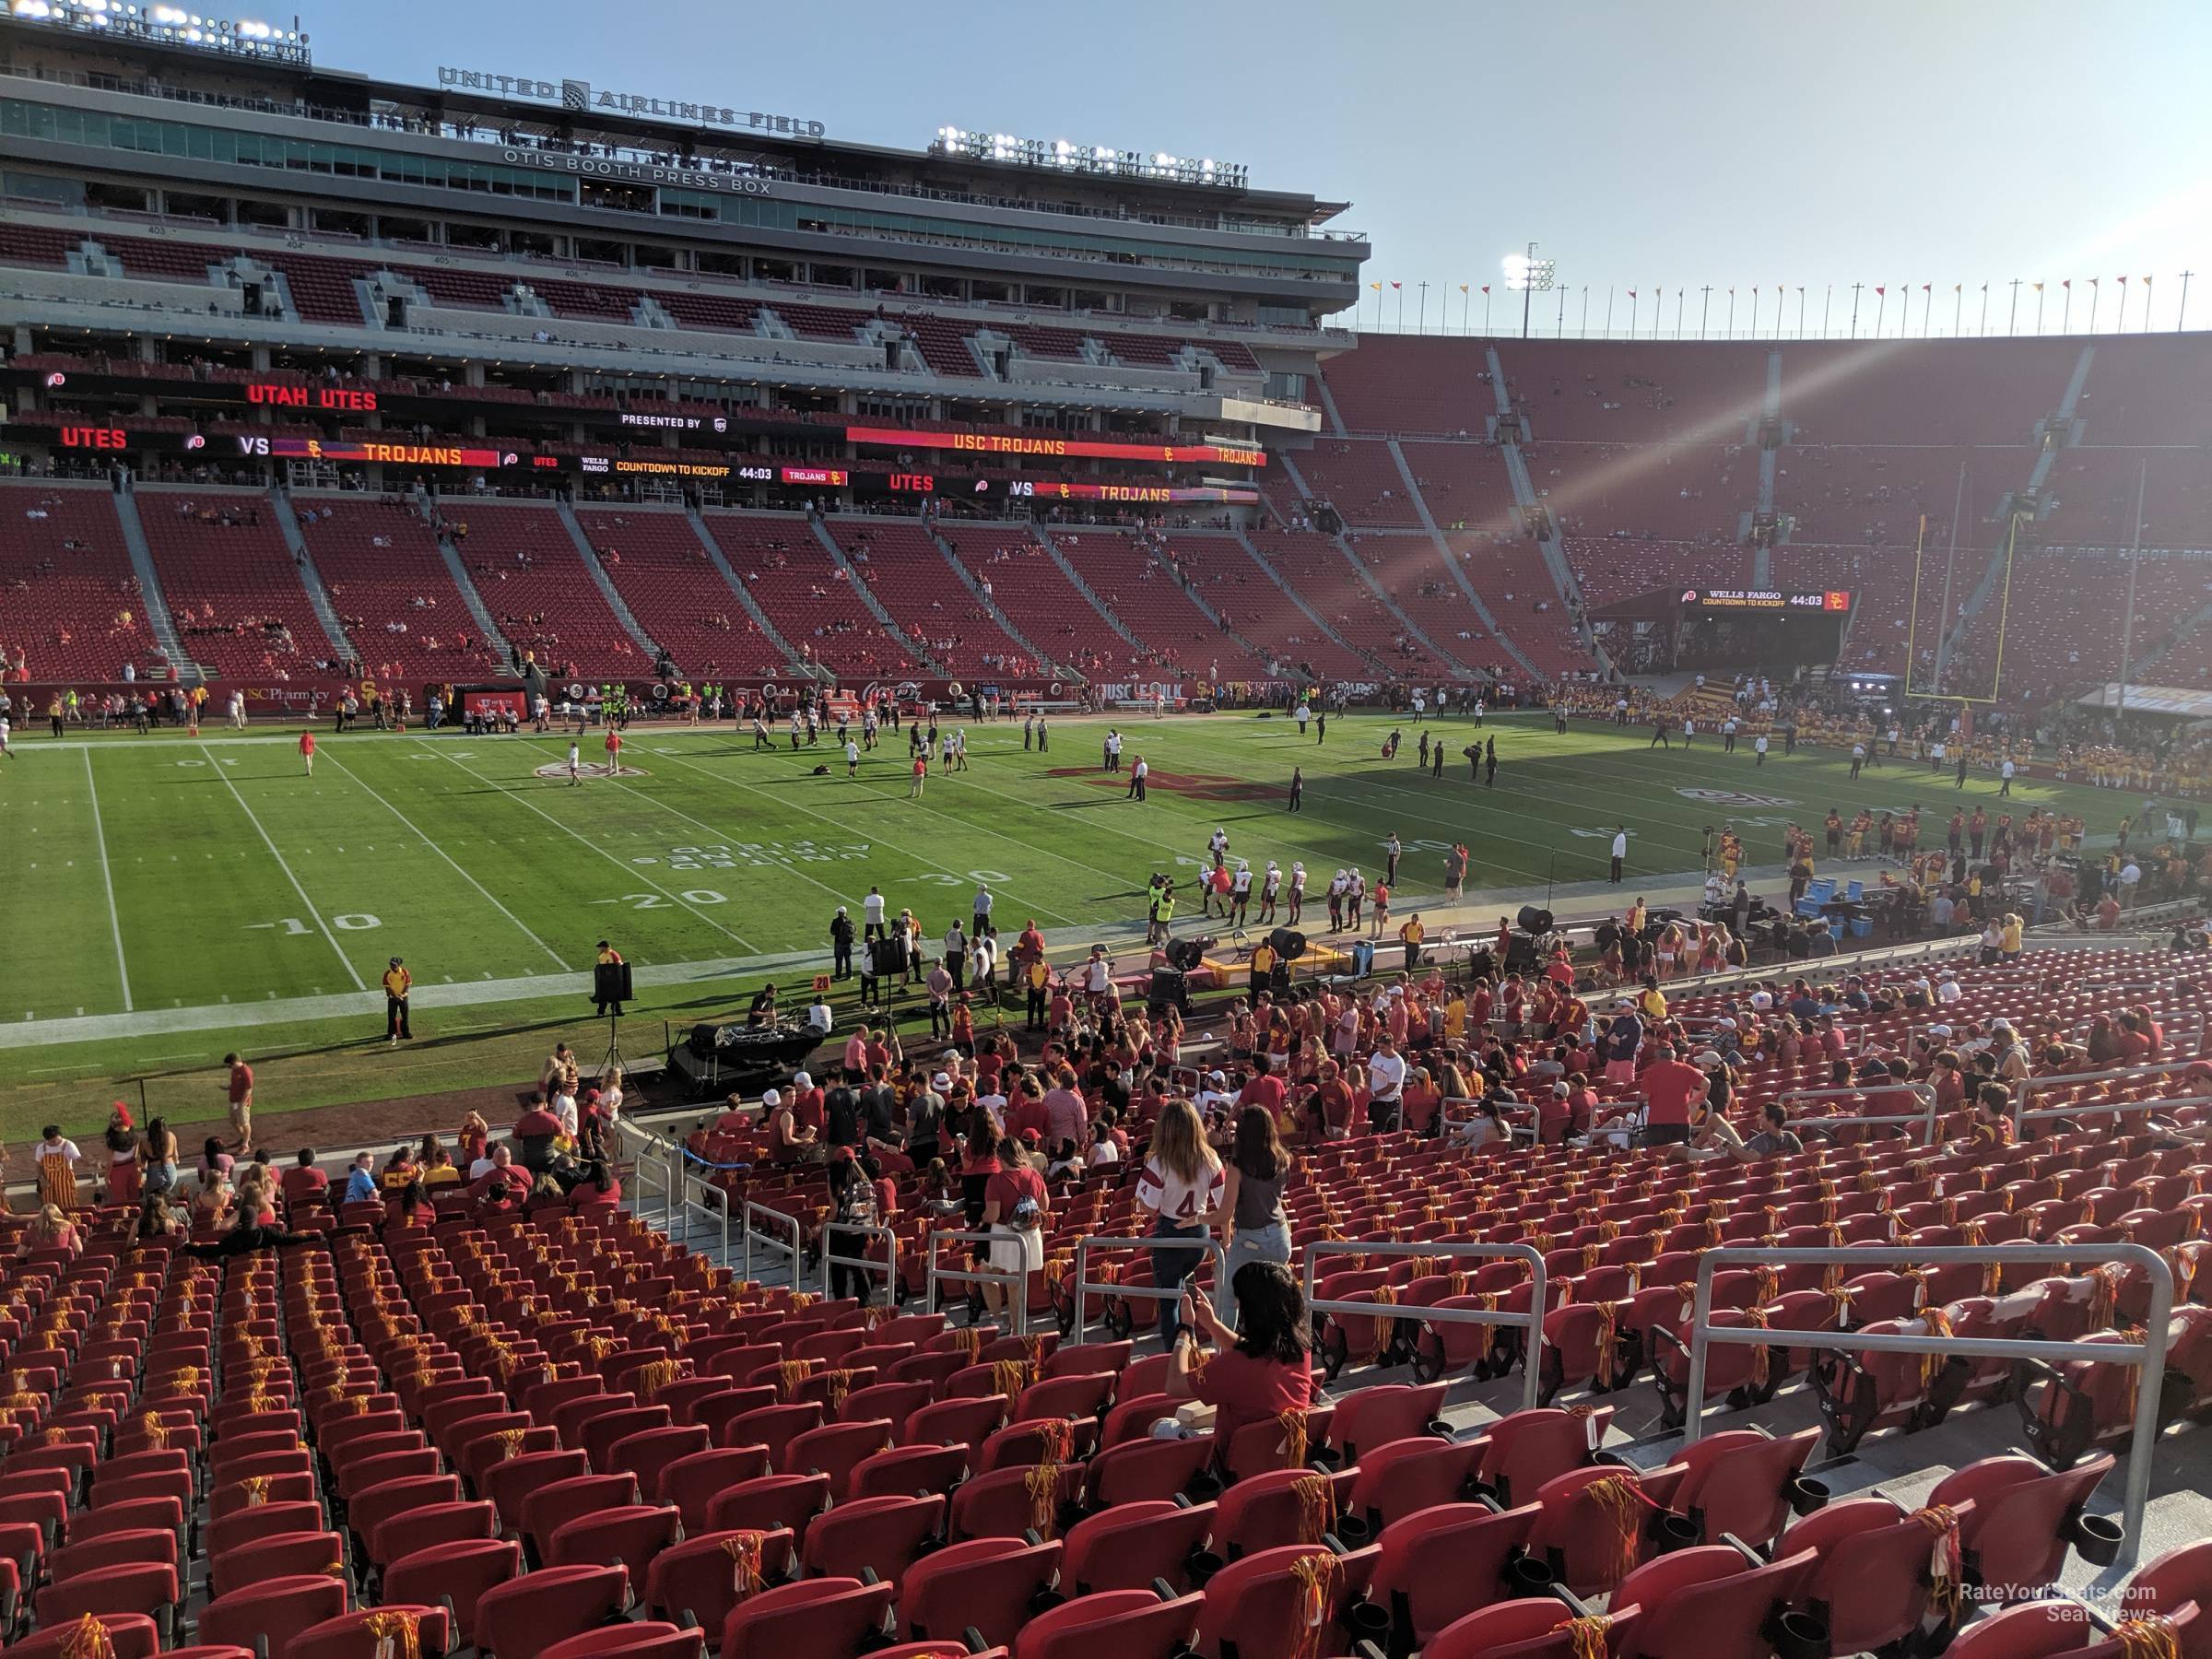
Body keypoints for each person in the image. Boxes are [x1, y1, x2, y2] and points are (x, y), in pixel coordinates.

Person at [1161, 1261, 1313, 1475]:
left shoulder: (1234, 1366)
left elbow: (1174, 1386)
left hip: (1231, 1462)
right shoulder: (1301, 1349)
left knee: (1158, 1426)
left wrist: (1185, 1329)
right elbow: (1253, 1353)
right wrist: (1212, 1324)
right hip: (1280, 1456)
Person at [1135, 1099, 1224, 1349]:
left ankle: (1175, 1356)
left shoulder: (1160, 1162)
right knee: (1183, 1285)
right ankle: (1191, 1338)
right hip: (1200, 1236)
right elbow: (1223, 1203)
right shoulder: (1211, 1159)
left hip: (1171, 1232)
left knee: (1169, 1300)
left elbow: (1149, 1208)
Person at [1219, 1107, 1293, 1335]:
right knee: (1272, 1296)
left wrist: (1224, 1240)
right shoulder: (1283, 1158)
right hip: (1280, 1237)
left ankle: (1225, 1349)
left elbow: (1225, 1213)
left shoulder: (1237, 1167)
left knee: (1228, 1296)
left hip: (1251, 1239)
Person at [981, 1134, 1049, 1318]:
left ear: (1001, 1157)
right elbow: (1044, 1206)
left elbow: (993, 1215)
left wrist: (981, 1216)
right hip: (1030, 1234)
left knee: (988, 1276)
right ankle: (1013, 1327)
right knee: (1015, 1283)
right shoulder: (1034, 1175)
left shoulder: (996, 1181)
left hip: (1006, 1236)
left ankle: (1002, 1322)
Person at [223, 1052, 254, 1149]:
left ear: (236, 1062)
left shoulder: (246, 1071)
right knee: (233, 1121)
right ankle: (245, 1137)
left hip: (242, 1102)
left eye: (230, 1065)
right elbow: (235, 1084)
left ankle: (245, 1145)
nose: (230, 1068)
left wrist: (242, 1103)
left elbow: (249, 1089)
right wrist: (228, 1087)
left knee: (245, 1123)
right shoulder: (235, 1071)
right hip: (234, 1101)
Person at [382, 957, 412, 1045]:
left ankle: (406, 1032)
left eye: (394, 964)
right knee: (391, 1015)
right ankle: (391, 1033)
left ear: (398, 965)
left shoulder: (404, 972)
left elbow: (407, 985)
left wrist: (401, 995)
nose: (392, 966)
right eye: (391, 964)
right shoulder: (387, 973)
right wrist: (395, 996)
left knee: (405, 1015)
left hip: (403, 997)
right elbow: (387, 987)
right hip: (392, 998)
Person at [594, 940, 626, 1017]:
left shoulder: (613, 954)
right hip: (604, 979)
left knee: (615, 996)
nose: (600, 949)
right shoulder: (601, 955)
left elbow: (619, 965)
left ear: (605, 947)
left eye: (601, 947)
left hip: (613, 979)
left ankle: (618, 1011)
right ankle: (601, 1012)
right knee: (603, 996)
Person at [830, 906, 856, 979]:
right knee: (849, 960)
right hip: (849, 944)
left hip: (839, 943)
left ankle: (838, 976)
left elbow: (832, 932)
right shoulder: (850, 921)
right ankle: (849, 975)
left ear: (840, 913)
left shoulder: (835, 921)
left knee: (839, 961)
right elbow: (855, 931)